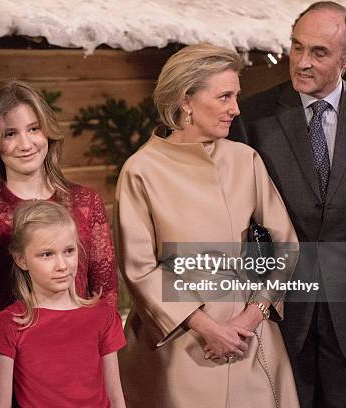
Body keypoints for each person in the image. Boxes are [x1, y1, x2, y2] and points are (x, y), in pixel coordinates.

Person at [230, 2, 346, 407]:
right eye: (297, 48)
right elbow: (240, 220)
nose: (302, 62)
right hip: (278, 314)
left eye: (319, 52)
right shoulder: (252, 117)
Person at [114, 43, 300, 407]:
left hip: (250, 337)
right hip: (179, 344)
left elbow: (287, 245)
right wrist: (207, 328)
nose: (236, 109)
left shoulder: (245, 159)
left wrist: (254, 313)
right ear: (186, 101)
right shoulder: (140, 170)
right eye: (225, 97)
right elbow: (139, 270)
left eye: (236, 96)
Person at [0, 80, 118, 343]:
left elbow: (107, 293)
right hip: (17, 358)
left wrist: (101, 351)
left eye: (33, 129)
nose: (25, 144)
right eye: (10, 134)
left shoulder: (86, 202)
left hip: (83, 349)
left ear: (47, 131)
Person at [0, 200, 126, 408]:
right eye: (47, 254)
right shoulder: (8, 325)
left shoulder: (102, 316)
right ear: (21, 260)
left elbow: (116, 399)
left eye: (69, 251)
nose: (62, 265)